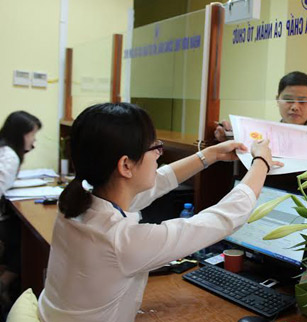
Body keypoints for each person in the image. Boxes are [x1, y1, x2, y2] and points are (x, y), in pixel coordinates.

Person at [37, 103, 281, 321]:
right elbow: (223, 219)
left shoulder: (79, 200)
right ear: (125, 165)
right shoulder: (120, 239)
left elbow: (159, 181)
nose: (159, 154)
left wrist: (210, 155)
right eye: (154, 147)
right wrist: (262, 163)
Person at [215, 71, 307, 157]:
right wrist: (227, 135)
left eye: (302, 101)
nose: (295, 107)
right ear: (278, 100)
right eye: (288, 100)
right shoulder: (264, 132)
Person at [0, 111, 42, 310]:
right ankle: (6, 282)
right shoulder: (10, 156)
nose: (33, 141)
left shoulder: (5, 150)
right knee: (26, 235)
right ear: (21, 134)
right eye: (32, 135)